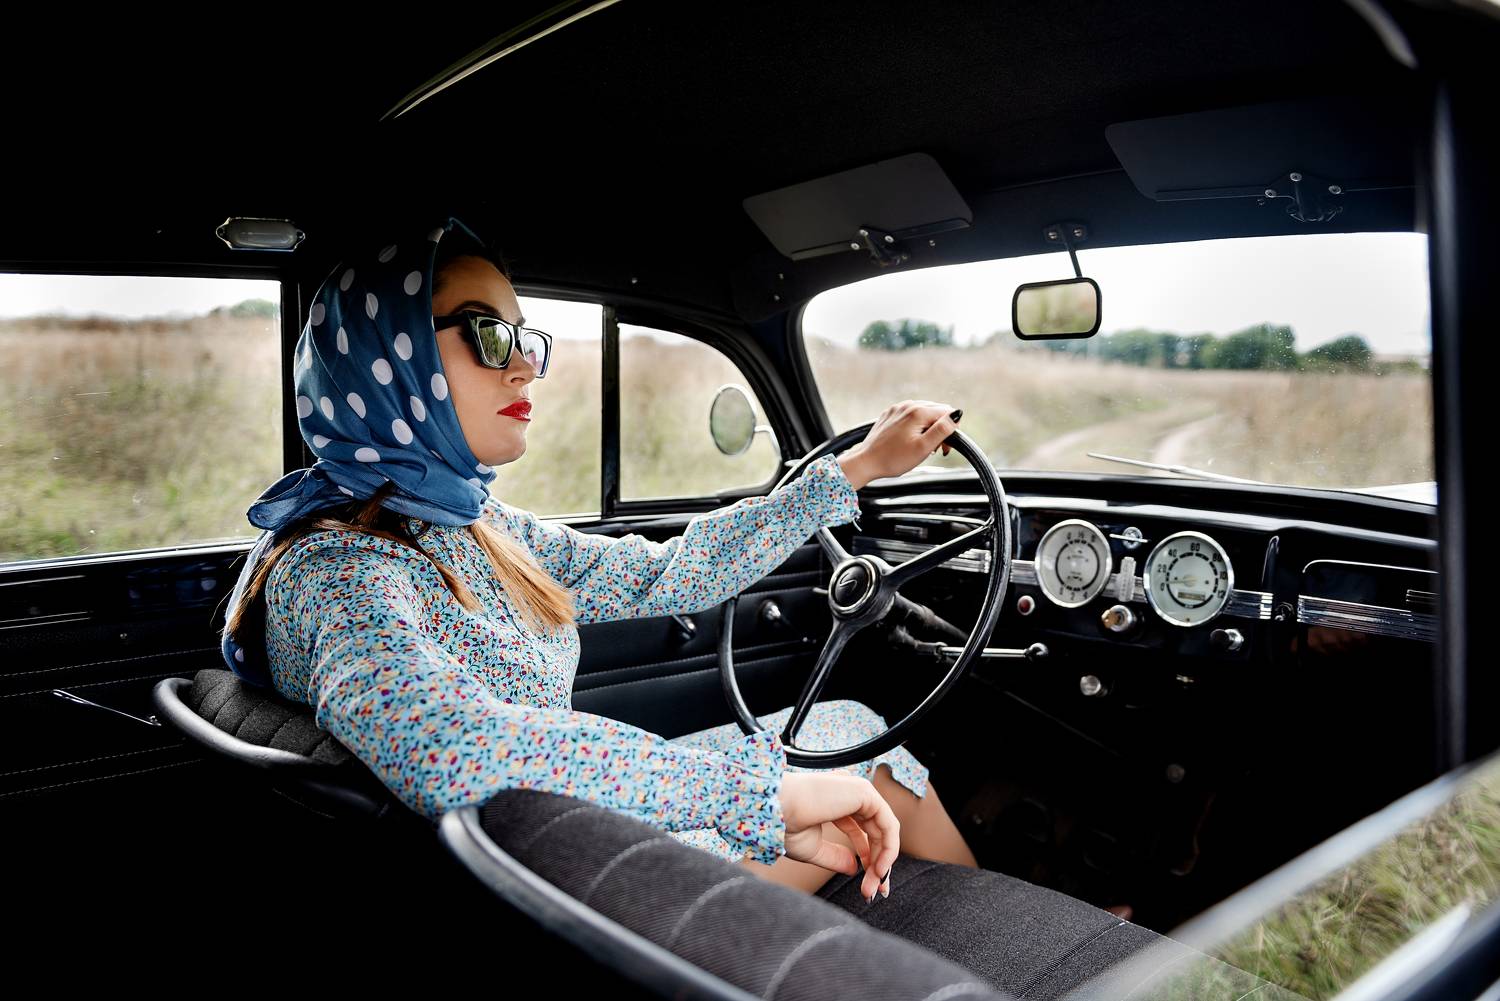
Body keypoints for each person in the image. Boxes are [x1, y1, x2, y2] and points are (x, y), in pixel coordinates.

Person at [218, 214, 974, 908]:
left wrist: (855, 469)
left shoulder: (471, 524)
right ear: (391, 358)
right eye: (488, 335)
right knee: (851, 771)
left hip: (564, 837)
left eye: (527, 339)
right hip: (567, 886)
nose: (525, 366)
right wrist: (756, 795)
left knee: (850, 726)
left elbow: (672, 572)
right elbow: (446, 741)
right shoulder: (337, 569)